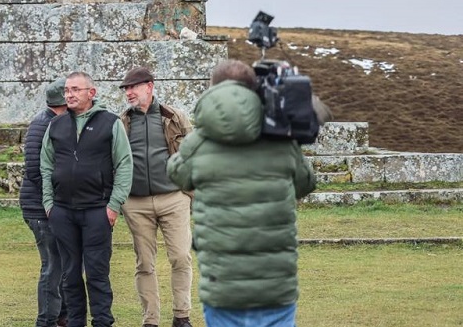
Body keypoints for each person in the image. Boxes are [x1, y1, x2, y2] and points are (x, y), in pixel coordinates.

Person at [167, 60, 316, 327]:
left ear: (212, 90)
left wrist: (202, 136)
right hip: (276, 286)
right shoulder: (281, 140)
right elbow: (306, 183)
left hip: (223, 286)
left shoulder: (198, 143)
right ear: (254, 90)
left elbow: (177, 174)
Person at [41, 71, 133, 327]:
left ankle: (103, 322)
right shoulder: (56, 125)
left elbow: (124, 164)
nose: (69, 94)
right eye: (67, 90)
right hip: (63, 211)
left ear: (91, 93)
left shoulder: (110, 123)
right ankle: (75, 322)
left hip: (97, 211)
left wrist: (114, 205)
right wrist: (49, 205)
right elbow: (46, 165)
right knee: (69, 275)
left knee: (97, 274)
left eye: (75, 90)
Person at [119, 66, 194, 327]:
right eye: (126, 88)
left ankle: (182, 316)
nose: (128, 92)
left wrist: (190, 194)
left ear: (149, 86)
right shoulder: (122, 121)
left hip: (174, 198)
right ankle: (150, 320)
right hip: (136, 202)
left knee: (181, 256)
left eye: (133, 87)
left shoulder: (175, 116)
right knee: (144, 263)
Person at [21, 78, 70, 327]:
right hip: (40, 208)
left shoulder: (52, 122)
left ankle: (61, 314)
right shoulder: (43, 125)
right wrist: (56, 200)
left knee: (61, 263)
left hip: (48, 206)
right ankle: (47, 320)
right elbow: (34, 170)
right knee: (52, 265)